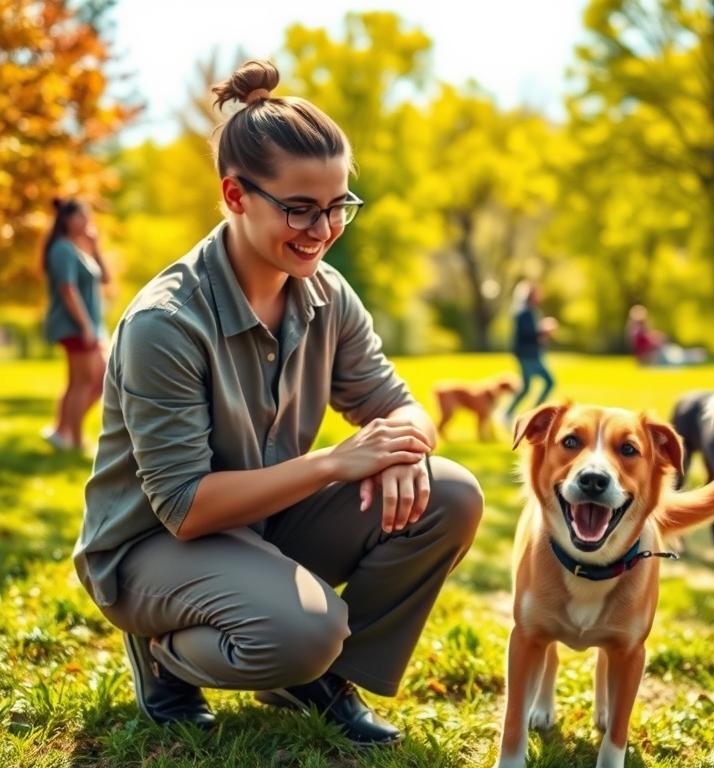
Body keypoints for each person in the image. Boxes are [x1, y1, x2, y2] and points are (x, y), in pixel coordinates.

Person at [71, 60, 483, 744]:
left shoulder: (326, 292)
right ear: (235, 195)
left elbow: (398, 404)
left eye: (338, 206)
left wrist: (406, 446)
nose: (322, 229)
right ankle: (168, 656)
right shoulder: (165, 324)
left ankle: (317, 678)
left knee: (452, 495)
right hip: (154, 548)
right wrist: (335, 463)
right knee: (305, 627)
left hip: (261, 525)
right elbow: (184, 506)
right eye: (300, 208)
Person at [41, 198, 109, 450]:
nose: (87, 220)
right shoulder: (62, 249)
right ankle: (75, 441)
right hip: (75, 326)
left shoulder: (78, 248)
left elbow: (106, 278)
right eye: (81, 216)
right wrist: (86, 326)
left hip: (86, 325)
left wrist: (95, 246)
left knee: (86, 381)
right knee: (85, 382)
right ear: (67, 220)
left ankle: (62, 432)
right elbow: (67, 289)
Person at [503, 279, 556, 425]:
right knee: (534, 386)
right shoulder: (522, 313)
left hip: (535, 354)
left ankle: (530, 413)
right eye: (536, 293)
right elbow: (527, 334)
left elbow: (536, 335)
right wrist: (543, 328)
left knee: (539, 384)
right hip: (526, 355)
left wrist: (544, 335)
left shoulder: (533, 312)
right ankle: (511, 414)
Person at [626, 304, 706, 366]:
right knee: (675, 356)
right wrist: (657, 340)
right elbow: (645, 347)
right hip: (653, 357)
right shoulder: (638, 332)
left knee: (675, 352)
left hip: (655, 355)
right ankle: (695, 355)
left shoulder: (639, 332)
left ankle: (694, 354)